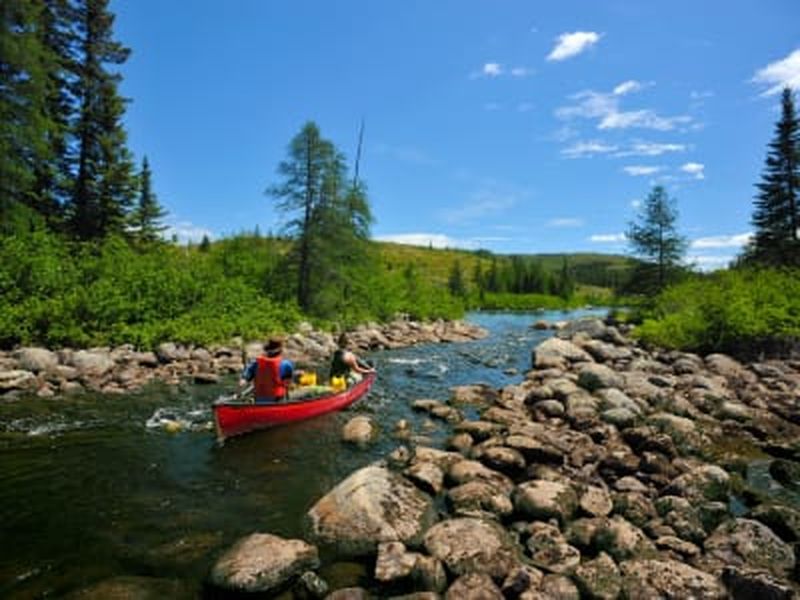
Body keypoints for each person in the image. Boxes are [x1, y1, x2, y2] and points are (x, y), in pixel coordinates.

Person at [239, 338, 294, 403]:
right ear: (280, 351)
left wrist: (244, 379)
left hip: (259, 400)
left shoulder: (256, 363)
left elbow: (246, 377)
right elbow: (287, 383)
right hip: (277, 400)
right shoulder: (286, 364)